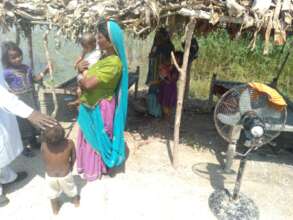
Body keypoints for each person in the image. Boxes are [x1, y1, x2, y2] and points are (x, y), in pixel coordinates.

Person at [75, 18, 128, 181]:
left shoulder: (114, 63)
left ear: (111, 41)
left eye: (100, 37)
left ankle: (96, 169)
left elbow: (88, 84)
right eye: (97, 37)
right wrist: (81, 72)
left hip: (100, 106)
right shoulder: (104, 58)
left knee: (98, 137)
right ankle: (88, 165)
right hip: (90, 104)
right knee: (89, 135)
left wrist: (80, 73)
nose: (97, 40)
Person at [0, 70, 56, 206]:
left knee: (2, 151)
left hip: (4, 107)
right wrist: (29, 112)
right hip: (5, 101)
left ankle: (7, 177)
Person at [2, 41, 49, 157]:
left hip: (31, 98)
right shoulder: (5, 73)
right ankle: (24, 146)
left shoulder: (26, 68)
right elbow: (2, 88)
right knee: (22, 124)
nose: (18, 59)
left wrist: (45, 71)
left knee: (32, 121)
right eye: (14, 58)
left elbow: (35, 79)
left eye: (19, 55)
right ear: (7, 60)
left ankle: (33, 142)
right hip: (19, 101)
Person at [41, 124, 79, 215]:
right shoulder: (69, 143)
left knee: (52, 193)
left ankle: (55, 210)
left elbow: (44, 158)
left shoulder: (43, 145)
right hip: (65, 173)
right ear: (63, 134)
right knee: (71, 188)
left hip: (50, 175)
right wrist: (71, 166)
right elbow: (74, 156)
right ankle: (76, 202)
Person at [146, 27, 175, 118]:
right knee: (153, 90)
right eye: (157, 36)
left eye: (160, 36)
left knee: (160, 92)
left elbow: (170, 61)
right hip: (153, 71)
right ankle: (153, 111)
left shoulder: (168, 46)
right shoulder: (156, 45)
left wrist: (163, 68)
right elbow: (151, 55)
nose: (158, 38)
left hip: (162, 73)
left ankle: (158, 112)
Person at [69, 33, 102, 107]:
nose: (85, 49)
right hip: (85, 70)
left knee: (81, 88)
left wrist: (80, 70)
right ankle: (80, 100)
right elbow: (82, 53)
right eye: (84, 47)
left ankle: (81, 101)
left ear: (93, 44)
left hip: (89, 72)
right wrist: (77, 62)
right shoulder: (90, 46)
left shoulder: (98, 51)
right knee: (79, 89)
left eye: (86, 47)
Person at [158, 51, 182, 120]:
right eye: (173, 58)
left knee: (168, 103)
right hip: (165, 86)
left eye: (175, 58)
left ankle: (167, 116)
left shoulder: (177, 69)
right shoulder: (169, 66)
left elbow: (172, 79)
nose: (173, 59)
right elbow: (162, 75)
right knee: (164, 102)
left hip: (170, 87)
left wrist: (166, 73)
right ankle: (167, 116)